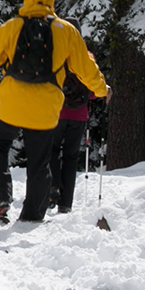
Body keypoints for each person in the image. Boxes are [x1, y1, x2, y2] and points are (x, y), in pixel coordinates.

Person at [0, 0, 108, 224]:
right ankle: (32, 215)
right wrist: (103, 90)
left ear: (27, 3)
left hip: (11, 103)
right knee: (39, 160)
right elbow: (87, 70)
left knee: (0, 147)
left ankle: (1, 198)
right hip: (46, 107)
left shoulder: (11, 27)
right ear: (52, 4)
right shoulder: (67, 31)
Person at [47, 69, 99, 214]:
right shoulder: (87, 57)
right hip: (79, 115)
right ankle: (65, 204)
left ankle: (54, 185)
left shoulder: (59, 52)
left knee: (52, 150)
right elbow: (93, 92)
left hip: (57, 112)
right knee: (71, 157)